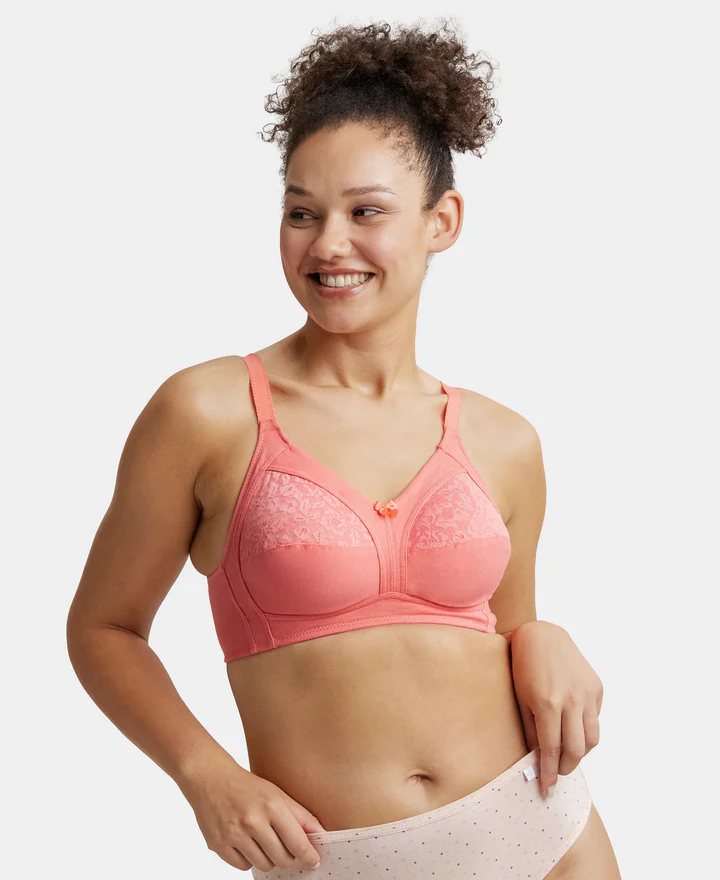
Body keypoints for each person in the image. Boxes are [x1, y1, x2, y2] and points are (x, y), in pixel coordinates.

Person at [66, 17, 621, 880]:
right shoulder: (208, 412)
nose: (328, 243)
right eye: (302, 212)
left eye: (366, 211)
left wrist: (544, 635)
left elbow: (503, 628)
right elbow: (103, 628)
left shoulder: (505, 440)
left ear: (442, 221)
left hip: (542, 834)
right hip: (333, 860)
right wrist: (206, 775)